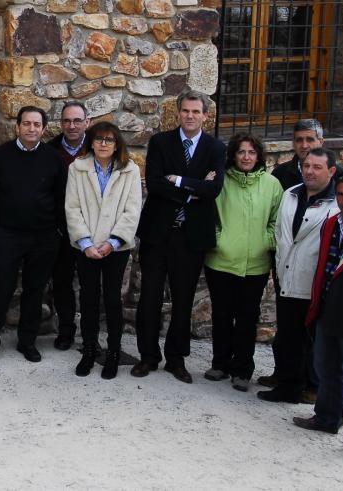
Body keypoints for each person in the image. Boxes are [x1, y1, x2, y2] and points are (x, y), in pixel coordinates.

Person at [132, 90, 226, 383]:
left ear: (205, 117)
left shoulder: (215, 148)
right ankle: (148, 356)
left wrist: (181, 181)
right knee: (149, 297)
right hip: (158, 234)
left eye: (196, 112)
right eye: (185, 111)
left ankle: (176, 358)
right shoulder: (161, 142)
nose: (190, 116)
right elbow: (157, 184)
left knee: (183, 300)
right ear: (178, 113)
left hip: (190, 236)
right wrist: (194, 189)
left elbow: (213, 190)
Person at [294, 169, 343, 463]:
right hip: (328, 307)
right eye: (340, 194)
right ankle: (327, 417)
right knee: (326, 367)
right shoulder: (332, 224)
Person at [0, 106, 66, 364]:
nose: (31, 129)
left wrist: (57, 230)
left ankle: (27, 342)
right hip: (8, 235)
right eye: (26, 124)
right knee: (1, 289)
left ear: (43, 128)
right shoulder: (1, 156)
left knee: (34, 291)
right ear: (17, 127)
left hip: (43, 237)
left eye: (36, 125)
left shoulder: (53, 158)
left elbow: (61, 198)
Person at [259, 148, 339, 403]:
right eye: (306, 166)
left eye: (317, 167)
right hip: (287, 277)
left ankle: (316, 389)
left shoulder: (337, 204)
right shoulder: (290, 194)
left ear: (331, 171)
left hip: (316, 283)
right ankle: (288, 386)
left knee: (315, 340)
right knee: (289, 336)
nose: (309, 171)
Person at [202, 134, 282, 391]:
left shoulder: (272, 185)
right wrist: (219, 239)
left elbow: (276, 221)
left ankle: (242, 370)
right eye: (241, 152)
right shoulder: (221, 181)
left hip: (255, 263)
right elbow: (208, 213)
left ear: (258, 156)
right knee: (222, 315)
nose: (246, 157)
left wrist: (265, 241)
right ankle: (220, 364)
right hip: (221, 260)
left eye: (251, 152)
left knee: (248, 317)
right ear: (233, 155)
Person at [64, 121, 142, 379]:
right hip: (86, 248)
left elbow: (132, 211)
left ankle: (114, 352)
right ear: (91, 142)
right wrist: (85, 243)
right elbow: (72, 208)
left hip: (115, 249)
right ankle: (88, 349)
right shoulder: (78, 168)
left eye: (109, 140)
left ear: (117, 143)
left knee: (112, 299)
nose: (104, 144)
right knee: (88, 299)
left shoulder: (129, 170)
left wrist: (113, 242)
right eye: (99, 139)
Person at [48, 101, 91, 351]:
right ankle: (66, 331)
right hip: (62, 229)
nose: (71, 126)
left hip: (92, 229)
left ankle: (89, 334)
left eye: (77, 121)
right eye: (66, 121)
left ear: (87, 122)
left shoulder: (99, 147)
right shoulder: (51, 150)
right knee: (62, 283)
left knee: (89, 285)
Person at [271, 119, 325, 191]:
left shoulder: (338, 174)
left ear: (321, 142)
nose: (304, 146)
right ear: (293, 143)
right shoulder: (280, 173)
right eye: (299, 140)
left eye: (309, 140)